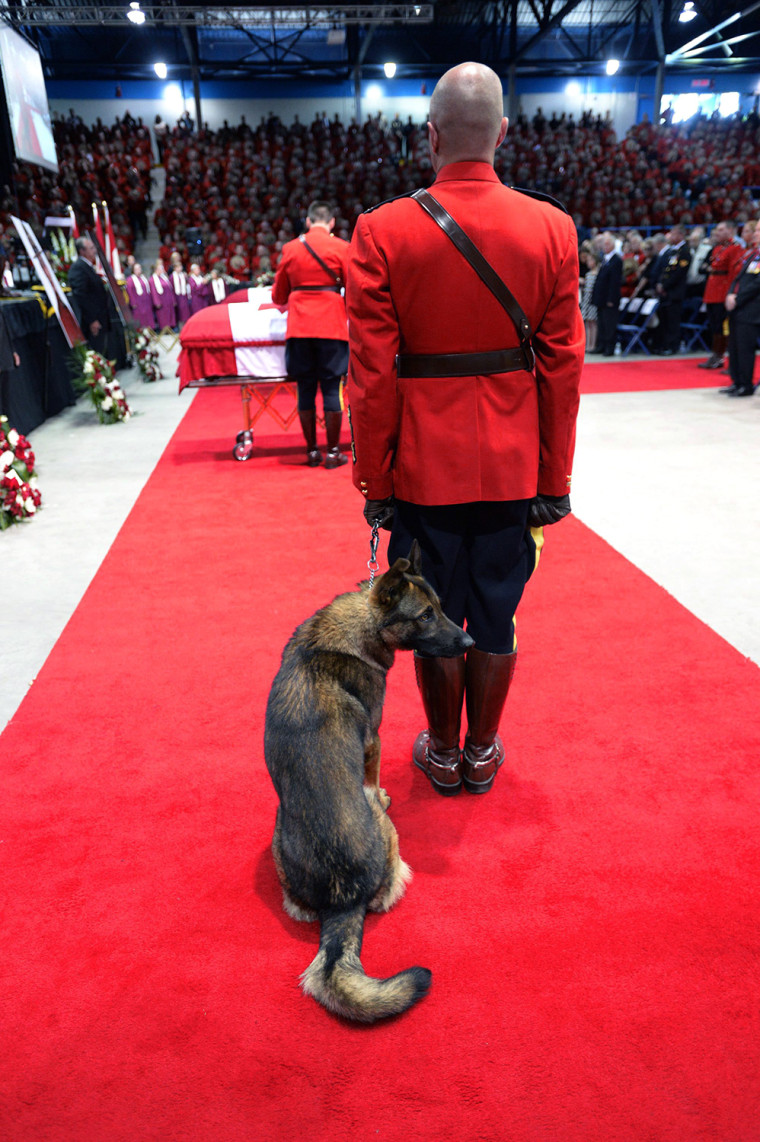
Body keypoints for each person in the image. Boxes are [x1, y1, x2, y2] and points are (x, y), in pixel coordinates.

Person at [345, 62, 584, 797]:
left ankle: (442, 751)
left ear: (431, 135)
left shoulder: (381, 231)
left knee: (433, 613)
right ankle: (483, 750)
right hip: (513, 468)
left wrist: (375, 482)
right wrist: (554, 478)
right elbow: (564, 368)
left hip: (422, 467)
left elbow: (372, 376)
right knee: (498, 612)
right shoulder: (552, 227)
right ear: (503, 134)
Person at [272, 199, 350, 468]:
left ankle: (311, 452)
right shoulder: (342, 248)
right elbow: (354, 291)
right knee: (332, 388)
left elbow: (279, 295)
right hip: (332, 326)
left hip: (300, 327)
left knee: (305, 388)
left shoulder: (291, 248)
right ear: (331, 223)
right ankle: (332, 453)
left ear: (307, 221)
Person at [699, 220, 744, 370]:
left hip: (722, 291)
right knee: (714, 325)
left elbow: (733, 272)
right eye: (717, 230)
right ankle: (715, 354)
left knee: (722, 326)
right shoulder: (717, 248)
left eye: (721, 230)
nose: (717, 232)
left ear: (730, 231)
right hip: (712, 290)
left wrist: (731, 292)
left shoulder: (734, 249)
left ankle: (720, 355)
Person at [723, 225, 760, 398]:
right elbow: (738, 278)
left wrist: (737, 298)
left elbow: (757, 284)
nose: (755, 233)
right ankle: (736, 381)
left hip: (751, 308)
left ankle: (745, 384)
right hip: (738, 306)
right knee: (734, 346)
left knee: (745, 348)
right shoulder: (753, 254)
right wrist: (730, 294)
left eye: (759, 230)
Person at [68, 236, 110, 354]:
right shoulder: (78, 268)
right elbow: (82, 297)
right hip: (92, 322)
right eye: (91, 248)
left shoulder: (88, 267)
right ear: (82, 251)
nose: (94, 250)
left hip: (100, 317)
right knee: (95, 353)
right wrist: (92, 320)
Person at [655, 224, 691, 354]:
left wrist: (664, 286)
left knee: (673, 321)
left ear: (681, 235)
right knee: (665, 320)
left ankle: (672, 346)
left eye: (674, 233)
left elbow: (678, 273)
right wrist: (661, 284)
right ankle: (665, 345)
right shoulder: (673, 251)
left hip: (675, 292)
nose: (670, 235)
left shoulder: (684, 252)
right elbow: (666, 270)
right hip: (667, 292)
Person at [591, 232, 622, 355]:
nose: (604, 246)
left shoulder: (616, 260)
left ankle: (610, 347)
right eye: (604, 244)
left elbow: (615, 282)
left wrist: (611, 299)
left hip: (610, 299)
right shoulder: (605, 259)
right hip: (601, 297)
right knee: (602, 323)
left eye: (607, 244)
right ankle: (601, 345)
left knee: (610, 324)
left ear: (613, 245)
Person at [124, 262, 156, 329]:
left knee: (148, 318)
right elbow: (129, 292)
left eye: (139, 268)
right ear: (133, 270)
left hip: (146, 302)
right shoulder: (130, 280)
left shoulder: (143, 278)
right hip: (138, 303)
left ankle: (150, 332)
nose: (138, 270)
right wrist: (133, 303)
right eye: (136, 269)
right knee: (140, 319)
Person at [580, 247, 600, 351]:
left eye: (590, 260)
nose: (588, 262)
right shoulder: (588, 274)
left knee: (593, 323)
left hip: (592, 301)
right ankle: (587, 344)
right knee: (587, 323)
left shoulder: (597, 274)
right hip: (586, 300)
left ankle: (593, 345)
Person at [149, 258, 176, 329]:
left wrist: (173, 300)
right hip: (161, 301)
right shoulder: (152, 279)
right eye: (161, 269)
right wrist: (156, 302)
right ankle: (165, 330)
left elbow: (170, 289)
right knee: (163, 316)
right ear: (156, 270)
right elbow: (153, 292)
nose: (162, 270)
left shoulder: (164, 277)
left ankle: (170, 328)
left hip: (168, 300)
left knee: (170, 315)